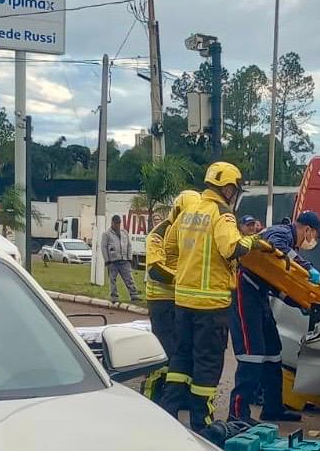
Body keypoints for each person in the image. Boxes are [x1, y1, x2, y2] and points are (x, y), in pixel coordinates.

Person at [162, 161, 262, 432]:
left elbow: (169, 248)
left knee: (180, 361)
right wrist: (253, 240)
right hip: (211, 306)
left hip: (183, 303)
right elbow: (232, 247)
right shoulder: (223, 215)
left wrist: (185, 273)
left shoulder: (188, 211)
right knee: (207, 367)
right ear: (228, 189)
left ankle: (168, 416)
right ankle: (201, 424)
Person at [229, 209, 320, 423]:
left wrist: (300, 302)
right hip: (245, 292)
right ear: (307, 229)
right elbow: (278, 248)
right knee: (251, 354)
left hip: (260, 294)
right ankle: (237, 413)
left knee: (273, 352)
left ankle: (273, 408)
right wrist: (307, 267)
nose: (314, 241)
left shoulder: (288, 240)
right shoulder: (282, 232)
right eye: (315, 235)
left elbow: (277, 282)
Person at [143, 190, 200, 405]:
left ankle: (177, 397)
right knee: (164, 354)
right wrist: (184, 280)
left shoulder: (188, 233)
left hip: (181, 301)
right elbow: (155, 269)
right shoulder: (158, 234)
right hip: (161, 302)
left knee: (181, 353)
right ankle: (151, 397)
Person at [101, 214, 140, 304]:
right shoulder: (107, 234)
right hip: (113, 261)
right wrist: (107, 260)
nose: (117, 225)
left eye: (119, 223)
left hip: (124, 260)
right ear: (112, 223)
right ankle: (114, 296)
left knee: (129, 278)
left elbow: (129, 245)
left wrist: (129, 258)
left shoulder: (124, 232)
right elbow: (104, 247)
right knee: (112, 279)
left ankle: (134, 295)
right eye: (116, 223)